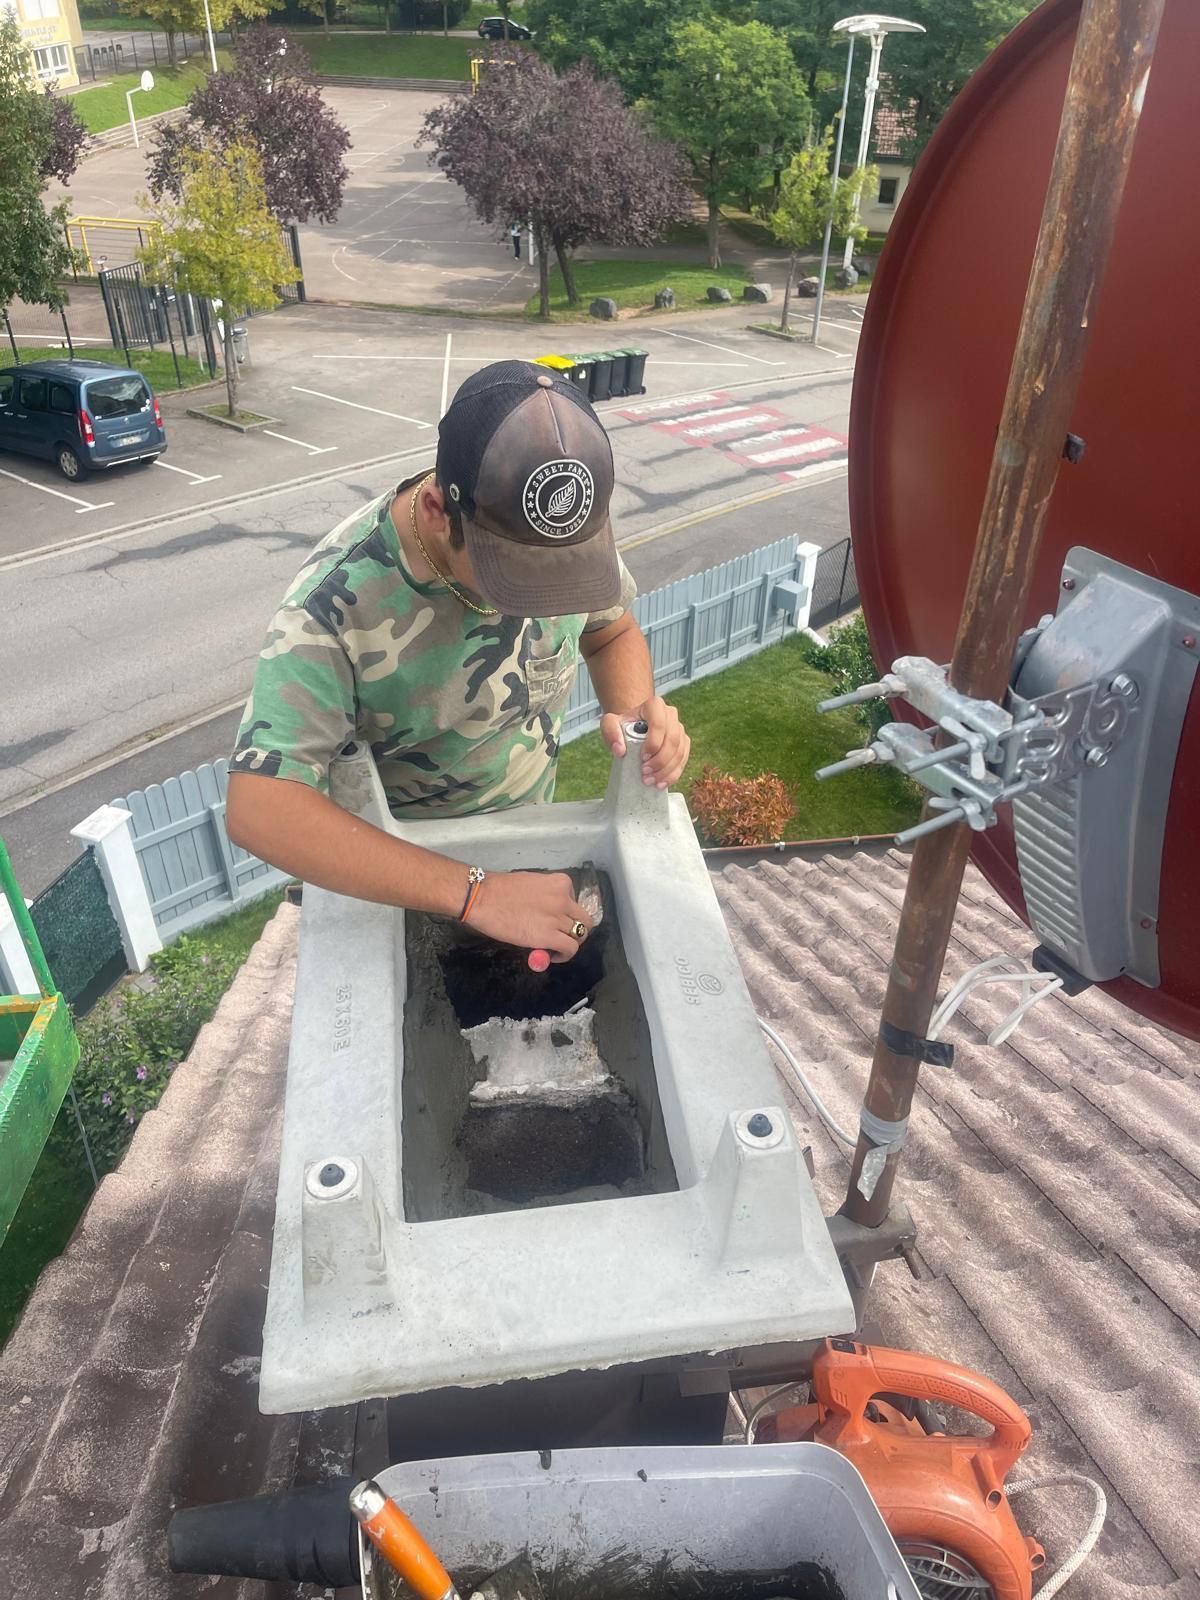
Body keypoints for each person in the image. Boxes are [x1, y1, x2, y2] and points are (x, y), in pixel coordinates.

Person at [226, 360, 690, 963]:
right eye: (515, 576)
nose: (539, 597)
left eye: (558, 571)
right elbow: (260, 808)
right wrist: (477, 894)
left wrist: (633, 713)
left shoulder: (549, 528)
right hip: (409, 879)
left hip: (532, 841)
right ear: (437, 513)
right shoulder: (331, 609)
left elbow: (611, 630)